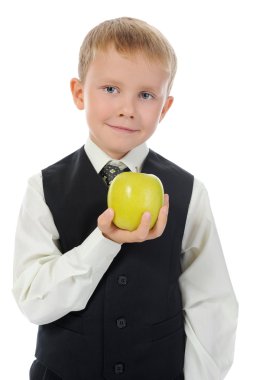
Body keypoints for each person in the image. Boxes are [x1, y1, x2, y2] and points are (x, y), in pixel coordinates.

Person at [13, 17, 238, 380]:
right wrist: (102, 242)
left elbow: (211, 302)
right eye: (111, 89)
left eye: (146, 95)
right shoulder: (42, 188)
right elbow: (33, 299)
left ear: (164, 108)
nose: (128, 109)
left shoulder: (188, 191)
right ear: (79, 93)